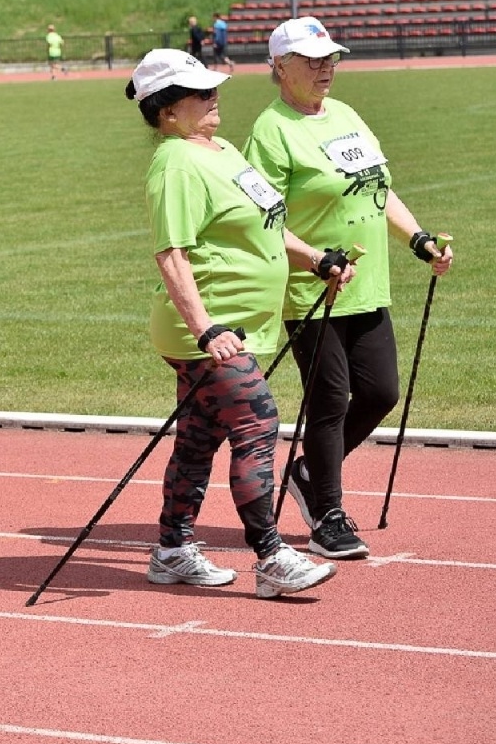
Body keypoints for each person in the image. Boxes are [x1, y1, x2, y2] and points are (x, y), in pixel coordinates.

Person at [126, 48, 341, 599]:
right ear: (168, 111)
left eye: (213, 88)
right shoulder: (176, 162)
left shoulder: (221, 148)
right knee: (256, 422)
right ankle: (270, 556)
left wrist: (316, 259)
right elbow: (170, 254)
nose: (214, 96)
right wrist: (205, 328)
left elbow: (267, 226)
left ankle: (172, 550)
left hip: (235, 328)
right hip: (205, 332)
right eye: (200, 93)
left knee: (200, 437)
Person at [243, 17, 454, 560]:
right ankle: (328, 516)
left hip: (368, 284)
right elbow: (260, 218)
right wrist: (316, 260)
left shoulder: (346, 115)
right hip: (313, 289)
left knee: (381, 393)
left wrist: (420, 240)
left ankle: (311, 472)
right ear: (279, 66)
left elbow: (380, 189)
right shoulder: (272, 130)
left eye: (330, 58)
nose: (325, 69)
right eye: (312, 60)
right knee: (331, 400)